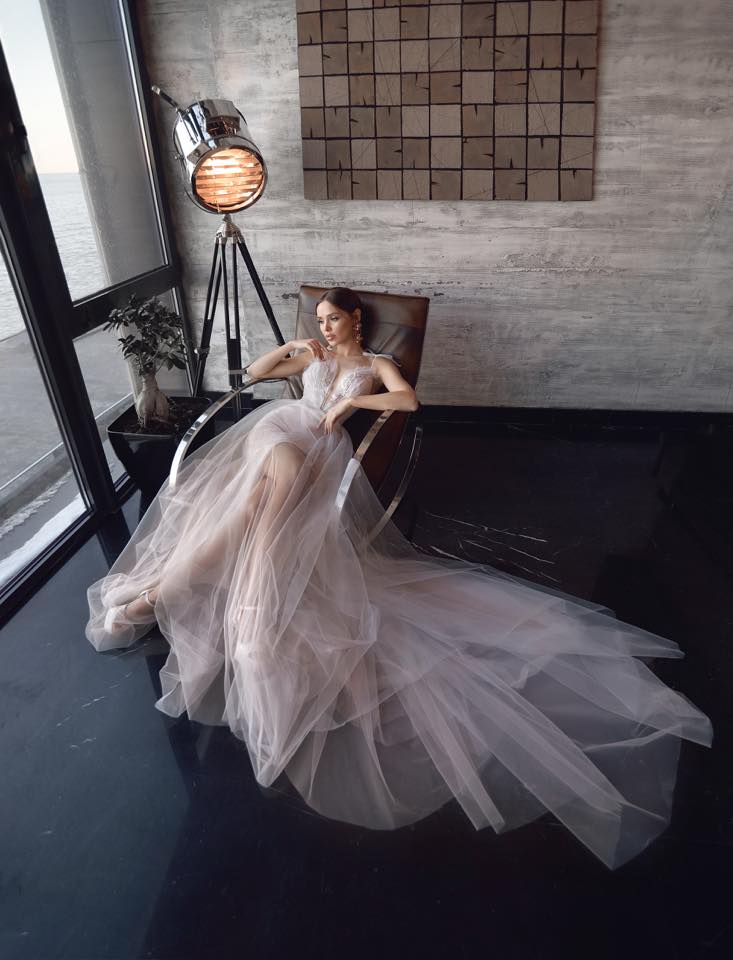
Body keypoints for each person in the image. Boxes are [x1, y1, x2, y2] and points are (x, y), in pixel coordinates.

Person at [85, 286, 713, 870]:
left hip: (320, 452)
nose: (326, 328)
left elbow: (407, 400)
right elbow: (252, 376)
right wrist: (294, 347)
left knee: (254, 507)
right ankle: (207, 585)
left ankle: (158, 595)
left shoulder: (377, 362)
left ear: (357, 320)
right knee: (268, 492)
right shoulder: (311, 353)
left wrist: (354, 400)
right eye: (320, 320)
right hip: (278, 433)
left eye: (334, 319)